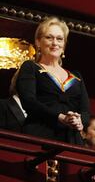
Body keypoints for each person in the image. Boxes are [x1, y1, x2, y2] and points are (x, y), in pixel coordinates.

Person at [15, 16, 89, 144]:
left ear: (64, 45)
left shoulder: (76, 77)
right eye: (49, 38)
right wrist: (60, 117)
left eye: (59, 39)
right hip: (40, 135)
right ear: (38, 42)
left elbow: (86, 110)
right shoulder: (31, 67)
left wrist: (79, 121)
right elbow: (29, 102)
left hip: (72, 140)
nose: (55, 43)